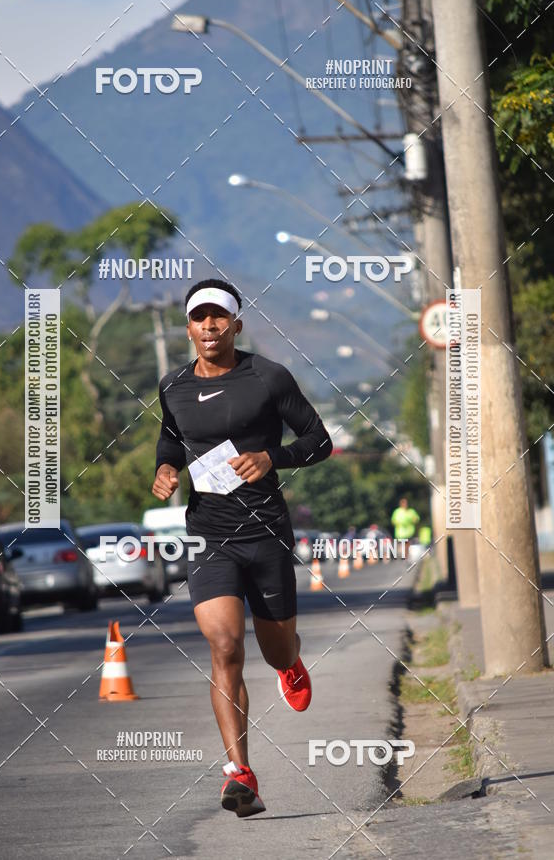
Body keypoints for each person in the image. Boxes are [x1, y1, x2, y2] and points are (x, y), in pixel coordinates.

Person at [151, 279, 333, 818]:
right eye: (199, 318)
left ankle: (290, 662)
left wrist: (272, 458)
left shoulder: (268, 377)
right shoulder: (173, 385)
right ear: (188, 328)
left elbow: (319, 440)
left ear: (236, 324)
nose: (209, 326)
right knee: (225, 645)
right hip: (210, 535)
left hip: (267, 533)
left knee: (275, 649)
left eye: (218, 317)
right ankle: (241, 772)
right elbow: (170, 437)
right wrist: (166, 467)